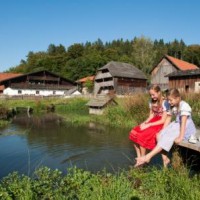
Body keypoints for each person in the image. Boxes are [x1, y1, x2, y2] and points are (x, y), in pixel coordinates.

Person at [136, 88, 196, 167]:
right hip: (177, 124)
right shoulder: (172, 105)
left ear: (177, 98)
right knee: (159, 135)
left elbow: (184, 122)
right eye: (168, 100)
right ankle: (165, 159)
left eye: (171, 100)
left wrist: (181, 137)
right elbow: (168, 118)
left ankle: (148, 156)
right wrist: (163, 130)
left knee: (168, 137)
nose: (169, 102)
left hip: (186, 127)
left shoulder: (184, 105)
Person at [129, 85, 169, 167]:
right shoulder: (151, 101)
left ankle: (143, 160)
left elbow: (163, 120)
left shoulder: (165, 102)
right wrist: (144, 123)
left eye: (153, 94)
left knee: (142, 136)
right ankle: (139, 157)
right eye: (150, 95)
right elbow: (151, 116)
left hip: (160, 124)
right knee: (133, 132)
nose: (152, 96)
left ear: (159, 92)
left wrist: (149, 124)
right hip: (153, 121)